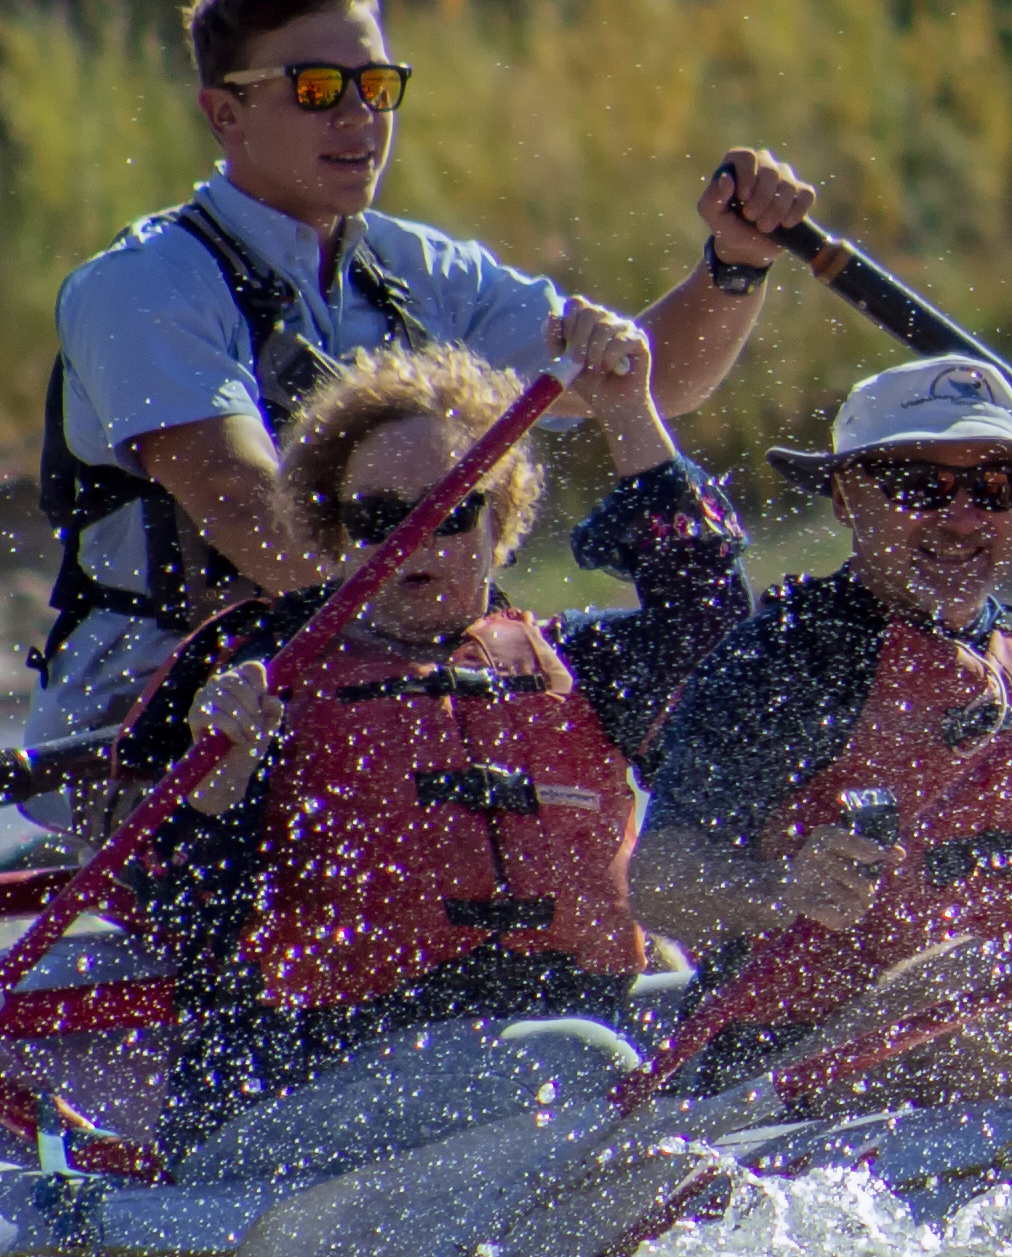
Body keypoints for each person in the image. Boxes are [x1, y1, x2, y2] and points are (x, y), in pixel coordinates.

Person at [28, 0, 819, 764]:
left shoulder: (424, 269)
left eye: (375, 86)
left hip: (381, 675)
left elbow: (650, 383)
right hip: (161, 712)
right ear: (226, 116)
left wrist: (734, 263)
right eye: (317, 91)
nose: (359, 119)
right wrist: (470, 644)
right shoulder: (144, 285)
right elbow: (259, 524)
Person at [112, 324, 750, 1141]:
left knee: (761, 999)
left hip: (568, 1041)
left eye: (452, 510)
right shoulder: (256, 677)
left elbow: (716, 630)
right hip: (328, 1075)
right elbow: (190, 932)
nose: (416, 540)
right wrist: (218, 792)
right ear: (336, 533)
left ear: (501, 519)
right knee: (580, 1059)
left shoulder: (573, 663)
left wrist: (628, 410)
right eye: (380, 516)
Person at [628, 358, 1012, 1080]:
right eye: (920, 484)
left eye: (995, 484)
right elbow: (657, 880)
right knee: (967, 993)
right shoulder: (789, 659)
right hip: (803, 1066)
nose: (963, 516)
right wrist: (776, 890)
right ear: (847, 497)